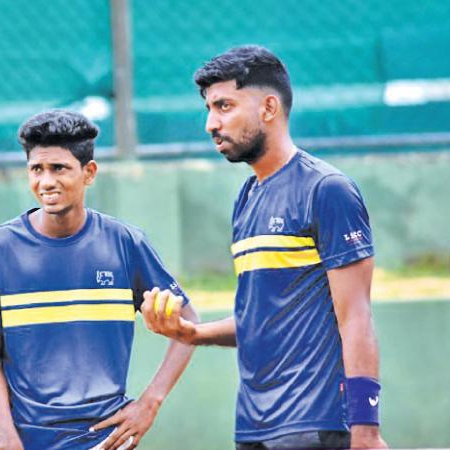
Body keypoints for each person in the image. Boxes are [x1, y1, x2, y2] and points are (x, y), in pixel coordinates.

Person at [142, 45, 387, 449]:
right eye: (208, 108)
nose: (210, 124)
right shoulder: (247, 197)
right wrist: (191, 333)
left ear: (269, 108)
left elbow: (356, 318)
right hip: (254, 430)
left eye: (223, 106)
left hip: (315, 425)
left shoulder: (326, 190)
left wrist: (366, 431)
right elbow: (261, 318)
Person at [0, 110, 199, 450]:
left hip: (108, 440)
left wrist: (149, 403)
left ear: (89, 173)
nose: (46, 181)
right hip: (27, 441)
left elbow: (189, 323)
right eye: (36, 169)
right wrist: (8, 436)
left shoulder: (126, 243)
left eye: (59, 168)